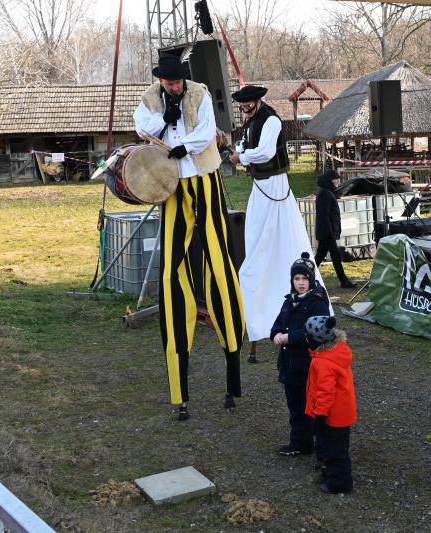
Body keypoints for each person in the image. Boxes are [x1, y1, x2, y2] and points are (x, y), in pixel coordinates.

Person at [133, 55, 245, 418]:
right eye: (168, 83)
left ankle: (233, 363)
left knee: (218, 258)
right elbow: (143, 130)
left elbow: (206, 130)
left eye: (177, 82)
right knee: (172, 269)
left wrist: (186, 146)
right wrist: (165, 123)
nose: (173, 87)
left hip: (202, 176)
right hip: (171, 184)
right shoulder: (149, 99)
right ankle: (179, 391)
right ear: (161, 82)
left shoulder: (199, 93)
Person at [228, 85, 326, 345]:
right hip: (261, 184)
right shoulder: (251, 122)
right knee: (256, 235)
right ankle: (259, 294)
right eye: (242, 106)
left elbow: (266, 152)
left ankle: (274, 292)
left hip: (274, 184)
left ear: (257, 101)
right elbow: (247, 146)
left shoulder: (270, 120)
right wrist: (239, 151)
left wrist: (242, 157)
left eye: (248, 105)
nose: (245, 109)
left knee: (272, 235)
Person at [270, 252, 331, 457]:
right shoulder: (289, 301)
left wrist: (288, 338)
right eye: (297, 278)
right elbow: (278, 324)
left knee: (313, 408)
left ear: (311, 280)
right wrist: (276, 334)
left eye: (305, 278)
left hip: (309, 365)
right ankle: (299, 443)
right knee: (295, 407)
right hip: (290, 364)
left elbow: (318, 334)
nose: (301, 283)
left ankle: (324, 450)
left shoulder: (317, 303)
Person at [304, 315, 356, 494]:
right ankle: (331, 474)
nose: (305, 339)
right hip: (342, 412)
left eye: (307, 336)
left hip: (333, 416)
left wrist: (320, 416)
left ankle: (340, 483)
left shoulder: (323, 362)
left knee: (336, 451)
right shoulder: (337, 351)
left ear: (315, 339)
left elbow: (325, 393)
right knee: (335, 447)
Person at [314, 170, 355, 288]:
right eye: (335, 179)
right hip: (327, 231)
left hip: (326, 231)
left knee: (320, 255)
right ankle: (343, 281)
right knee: (335, 255)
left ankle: (307, 274)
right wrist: (330, 233)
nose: (338, 181)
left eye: (338, 179)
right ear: (329, 180)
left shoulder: (326, 191)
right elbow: (324, 215)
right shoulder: (325, 193)